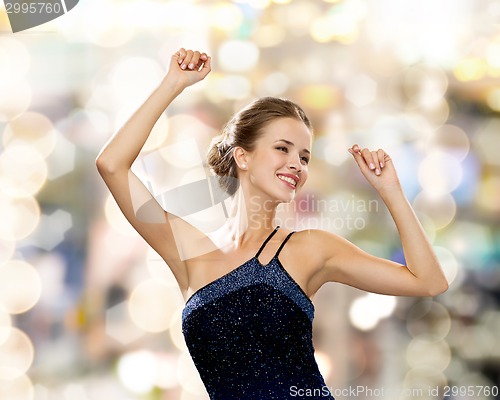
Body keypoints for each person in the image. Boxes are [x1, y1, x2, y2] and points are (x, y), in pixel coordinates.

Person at [96, 48, 449, 399]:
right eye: (283, 148)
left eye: (304, 156)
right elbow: (112, 165)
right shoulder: (190, 251)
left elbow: (429, 281)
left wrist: (391, 192)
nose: (297, 164)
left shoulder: (311, 249)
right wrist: (173, 84)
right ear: (242, 156)